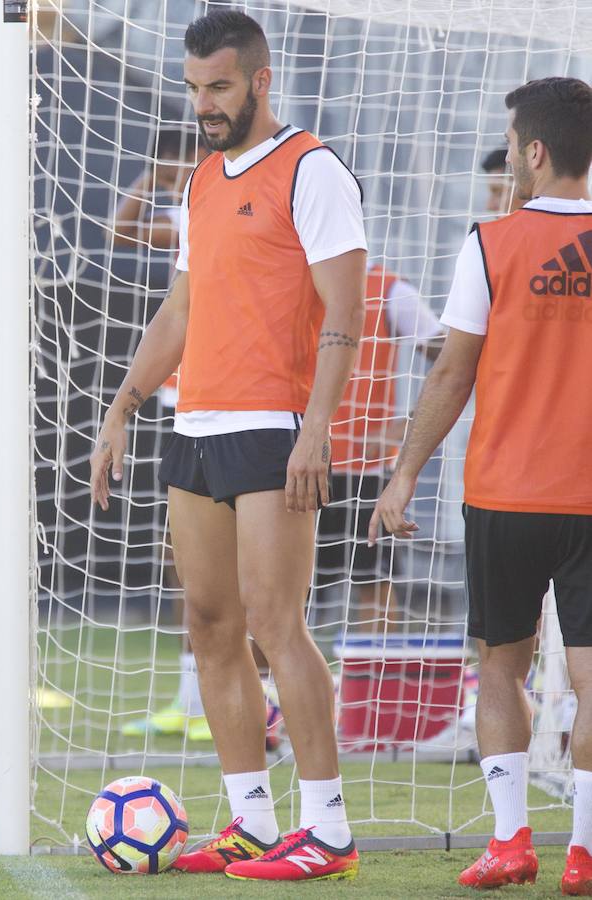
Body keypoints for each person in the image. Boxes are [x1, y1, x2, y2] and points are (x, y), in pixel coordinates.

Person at [90, 9, 367, 884]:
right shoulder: (199, 180)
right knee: (210, 626)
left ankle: (328, 832)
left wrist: (315, 430)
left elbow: (346, 318)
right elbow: (180, 309)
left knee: (278, 625)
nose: (206, 104)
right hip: (195, 422)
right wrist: (124, 405)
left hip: (274, 425)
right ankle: (252, 822)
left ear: (260, 78)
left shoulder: (313, 169)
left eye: (220, 86)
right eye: (195, 88)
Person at [368, 76, 592, 894]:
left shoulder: (489, 243)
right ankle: (584, 853)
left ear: (534, 152)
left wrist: (403, 477)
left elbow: (451, 373)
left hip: (506, 494)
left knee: (501, 666)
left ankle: (511, 844)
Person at [110, 128, 214, 741]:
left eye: (180, 160)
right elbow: (120, 229)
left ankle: (259, 699)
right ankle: (188, 696)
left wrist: (176, 178)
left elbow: (127, 230)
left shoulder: (209, 209)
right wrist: (155, 177)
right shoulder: (179, 211)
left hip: (233, 404)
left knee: (242, 576)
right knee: (182, 564)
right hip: (180, 402)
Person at [315, 265, 443, 633]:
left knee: (375, 584)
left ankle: (371, 686)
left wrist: (407, 425)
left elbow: (454, 359)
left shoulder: (390, 290)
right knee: (280, 588)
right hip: (295, 463)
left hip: (364, 471)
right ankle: (269, 689)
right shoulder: (291, 276)